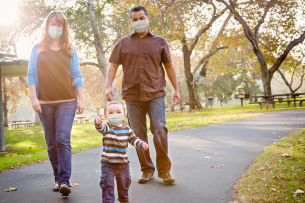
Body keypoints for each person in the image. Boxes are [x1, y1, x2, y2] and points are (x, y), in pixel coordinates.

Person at [106, 5, 180, 185]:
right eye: (134, 19)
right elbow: (113, 65)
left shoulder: (160, 41)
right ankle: (147, 170)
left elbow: (169, 66)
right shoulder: (123, 43)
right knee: (138, 135)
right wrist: (108, 86)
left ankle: (165, 170)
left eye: (141, 18)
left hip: (155, 93)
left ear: (147, 19)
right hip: (132, 96)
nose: (138, 22)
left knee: (159, 128)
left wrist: (176, 89)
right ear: (131, 21)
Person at [27, 11, 84, 196]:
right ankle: (58, 178)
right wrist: (34, 98)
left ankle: (64, 180)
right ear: (46, 26)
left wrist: (81, 98)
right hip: (44, 102)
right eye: (53, 24)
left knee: (62, 138)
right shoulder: (37, 48)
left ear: (64, 28)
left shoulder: (70, 49)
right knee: (51, 142)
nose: (56, 28)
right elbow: (32, 75)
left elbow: (76, 75)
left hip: (67, 100)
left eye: (60, 25)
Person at [95, 101, 149, 203]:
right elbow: (100, 128)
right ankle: (108, 200)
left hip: (123, 164)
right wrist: (97, 122)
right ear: (106, 116)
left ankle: (124, 199)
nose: (114, 114)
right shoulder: (107, 127)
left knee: (124, 184)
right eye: (111, 113)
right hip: (108, 164)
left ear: (124, 115)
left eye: (118, 112)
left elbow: (134, 139)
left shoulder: (127, 129)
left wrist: (142, 144)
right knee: (107, 185)